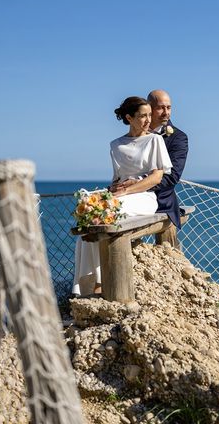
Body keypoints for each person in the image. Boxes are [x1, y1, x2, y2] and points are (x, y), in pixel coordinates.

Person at [72, 96, 172, 296]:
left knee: (105, 214)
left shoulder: (155, 140)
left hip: (144, 197)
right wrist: (112, 191)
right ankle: (89, 285)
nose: (147, 120)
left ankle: (98, 285)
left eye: (149, 115)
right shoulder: (116, 145)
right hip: (120, 196)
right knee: (88, 223)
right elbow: (117, 178)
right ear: (129, 117)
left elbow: (156, 178)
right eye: (142, 116)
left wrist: (126, 191)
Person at [113, 89, 189, 229]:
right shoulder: (128, 138)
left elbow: (172, 176)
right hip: (128, 194)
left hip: (160, 198)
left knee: (113, 210)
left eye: (169, 107)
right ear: (149, 108)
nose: (166, 112)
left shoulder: (178, 138)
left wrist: (137, 184)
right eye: (160, 108)